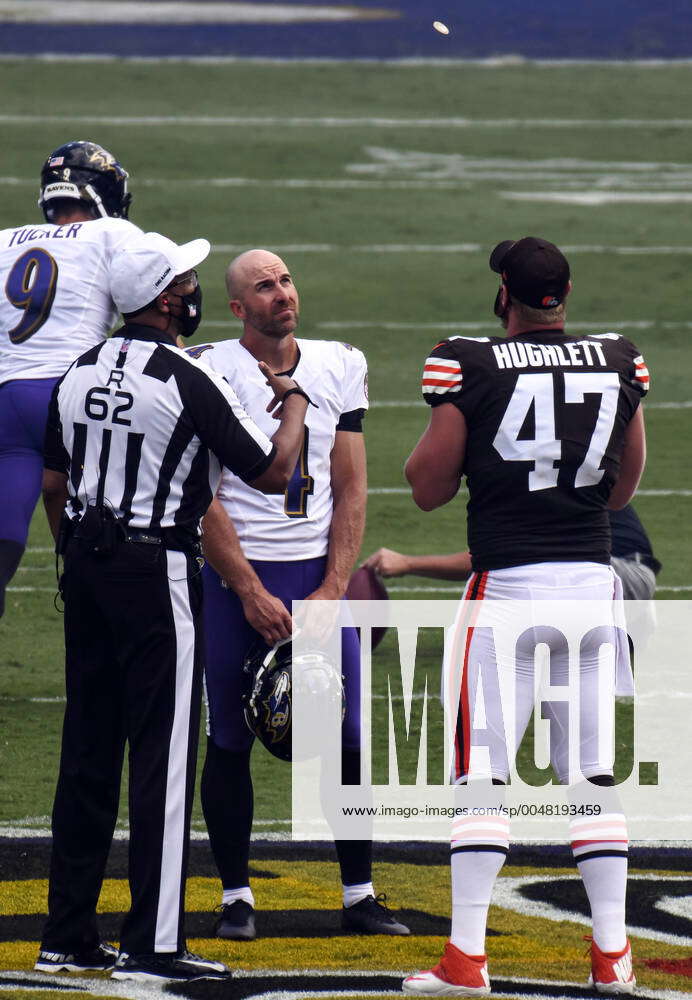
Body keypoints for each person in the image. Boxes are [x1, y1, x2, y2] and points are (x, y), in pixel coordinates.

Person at [36, 232, 311, 983]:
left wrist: (76, 561)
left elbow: (55, 483)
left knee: (87, 751)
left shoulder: (77, 368)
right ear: (166, 299)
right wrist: (293, 400)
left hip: (85, 562)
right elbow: (274, 469)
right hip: (154, 567)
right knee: (163, 755)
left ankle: (65, 935)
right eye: (185, 279)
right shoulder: (189, 379)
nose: (192, 288)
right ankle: (151, 944)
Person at [401, 237, 647, 996]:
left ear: (503, 294)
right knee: (591, 775)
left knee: (483, 771)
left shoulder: (467, 362)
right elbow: (624, 483)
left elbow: (426, 487)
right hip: (591, 584)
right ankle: (613, 958)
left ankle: (466, 959)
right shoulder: (616, 359)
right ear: (565, 293)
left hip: (506, 588)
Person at [189, 249, 410, 940]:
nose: (281, 294)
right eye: (263, 286)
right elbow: (200, 497)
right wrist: (247, 587)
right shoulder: (204, 370)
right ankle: (235, 897)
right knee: (228, 736)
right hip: (235, 580)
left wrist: (333, 588)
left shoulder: (338, 362)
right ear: (236, 308)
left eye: (285, 281)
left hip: (314, 577)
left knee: (344, 738)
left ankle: (360, 894)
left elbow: (350, 484)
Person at [0, 140, 141, 617]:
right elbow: (154, 321)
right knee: (112, 535)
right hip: (72, 395)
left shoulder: (4, 241)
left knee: (3, 544)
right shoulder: (112, 235)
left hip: (6, 401)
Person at [363, 505, 661, 601]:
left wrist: (408, 563)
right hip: (616, 576)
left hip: (621, 574)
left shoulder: (545, 469)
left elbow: (498, 554)